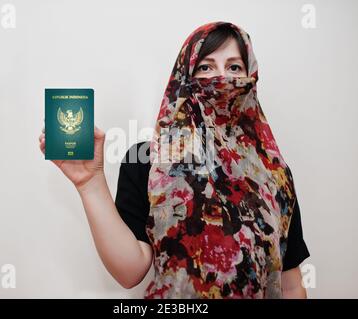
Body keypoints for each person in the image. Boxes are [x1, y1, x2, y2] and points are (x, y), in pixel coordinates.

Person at [38, 21, 310, 299]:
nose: (221, 78)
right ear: (185, 78)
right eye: (205, 67)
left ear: (250, 77)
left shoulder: (273, 172)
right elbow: (129, 272)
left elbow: (290, 284)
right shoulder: (147, 160)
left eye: (234, 67)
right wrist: (90, 183)